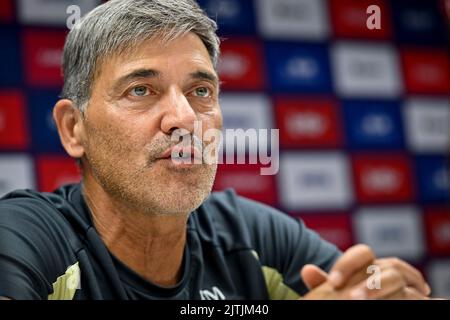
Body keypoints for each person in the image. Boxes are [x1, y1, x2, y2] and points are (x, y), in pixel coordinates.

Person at [0, 0, 431, 300]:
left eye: (200, 90)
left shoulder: (247, 234)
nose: (184, 118)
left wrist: (374, 287)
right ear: (74, 129)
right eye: (140, 90)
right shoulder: (26, 235)